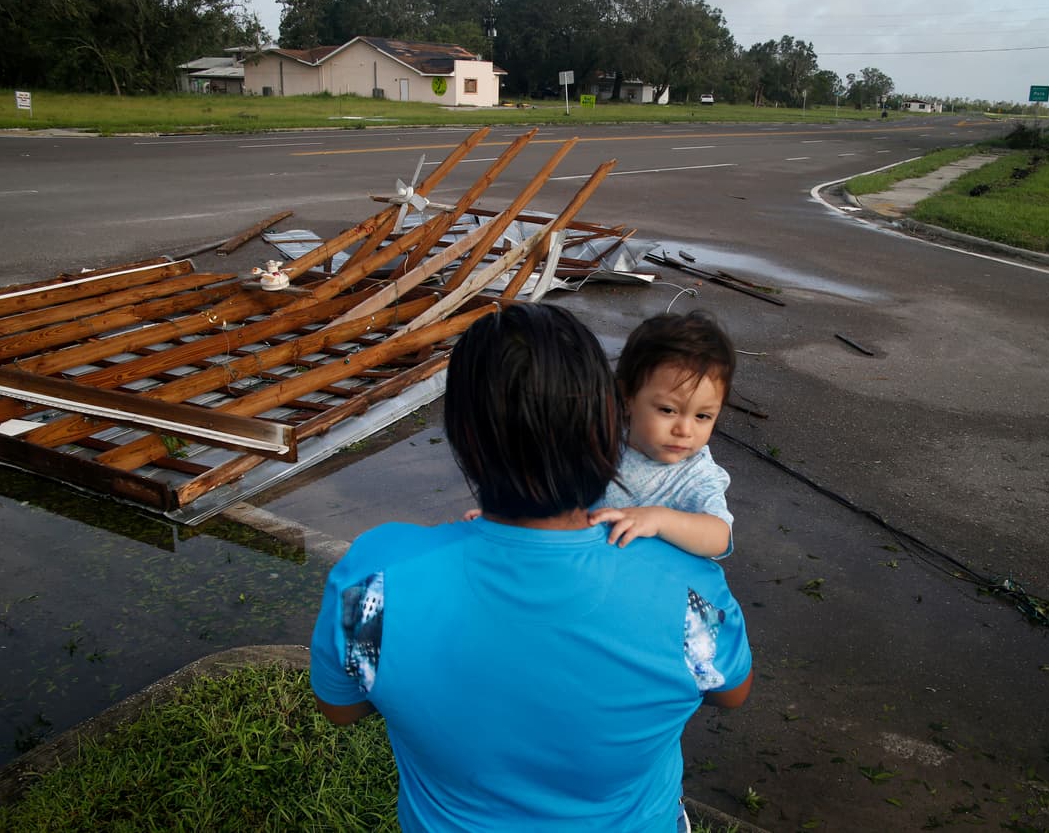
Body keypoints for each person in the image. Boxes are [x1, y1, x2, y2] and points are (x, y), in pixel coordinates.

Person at [310, 303, 753, 833]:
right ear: (612, 420)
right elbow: (730, 691)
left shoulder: (374, 579)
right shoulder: (689, 592)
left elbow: (342, 707)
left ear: (464, 438)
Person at [588, 310, 736, 560]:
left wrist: (661, 519)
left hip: (645, 580)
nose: (685, 431)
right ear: (627, 398)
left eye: (703, 416)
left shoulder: (695, 475)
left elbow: (719, 536)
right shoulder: (605, 434)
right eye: (668, 410)